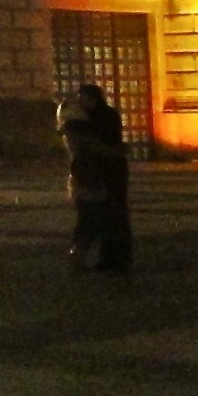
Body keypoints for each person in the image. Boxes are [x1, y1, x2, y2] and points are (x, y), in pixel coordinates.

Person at [72, 84, 132, 272]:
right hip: (103, 171)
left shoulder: (104, 116)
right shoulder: (92, 116)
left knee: (113, 215)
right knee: (107, 216)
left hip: (109, 172)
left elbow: (100, 143)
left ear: (93, 98)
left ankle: (116, 258)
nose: (80, 102)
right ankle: (108, 257)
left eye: (83, 98)